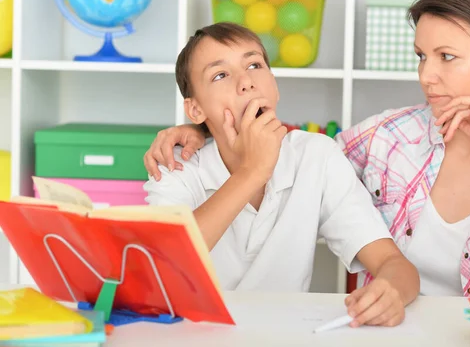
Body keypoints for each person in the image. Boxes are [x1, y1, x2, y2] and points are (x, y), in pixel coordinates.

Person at [144, 0, 470, 296]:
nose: (426, 76)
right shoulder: (389, 136)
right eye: (422, 57)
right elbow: (297, 158)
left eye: (446, 57)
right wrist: (203, 128)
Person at [143, 22, 419, 327]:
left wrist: (390, 291)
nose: (245, 81)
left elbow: (392, 263)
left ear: (274, 84)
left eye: (254, 65)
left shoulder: (316, 155)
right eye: (220, 75)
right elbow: (164, 265)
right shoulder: (175, 166)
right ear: (195, 111)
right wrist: (252, 171)